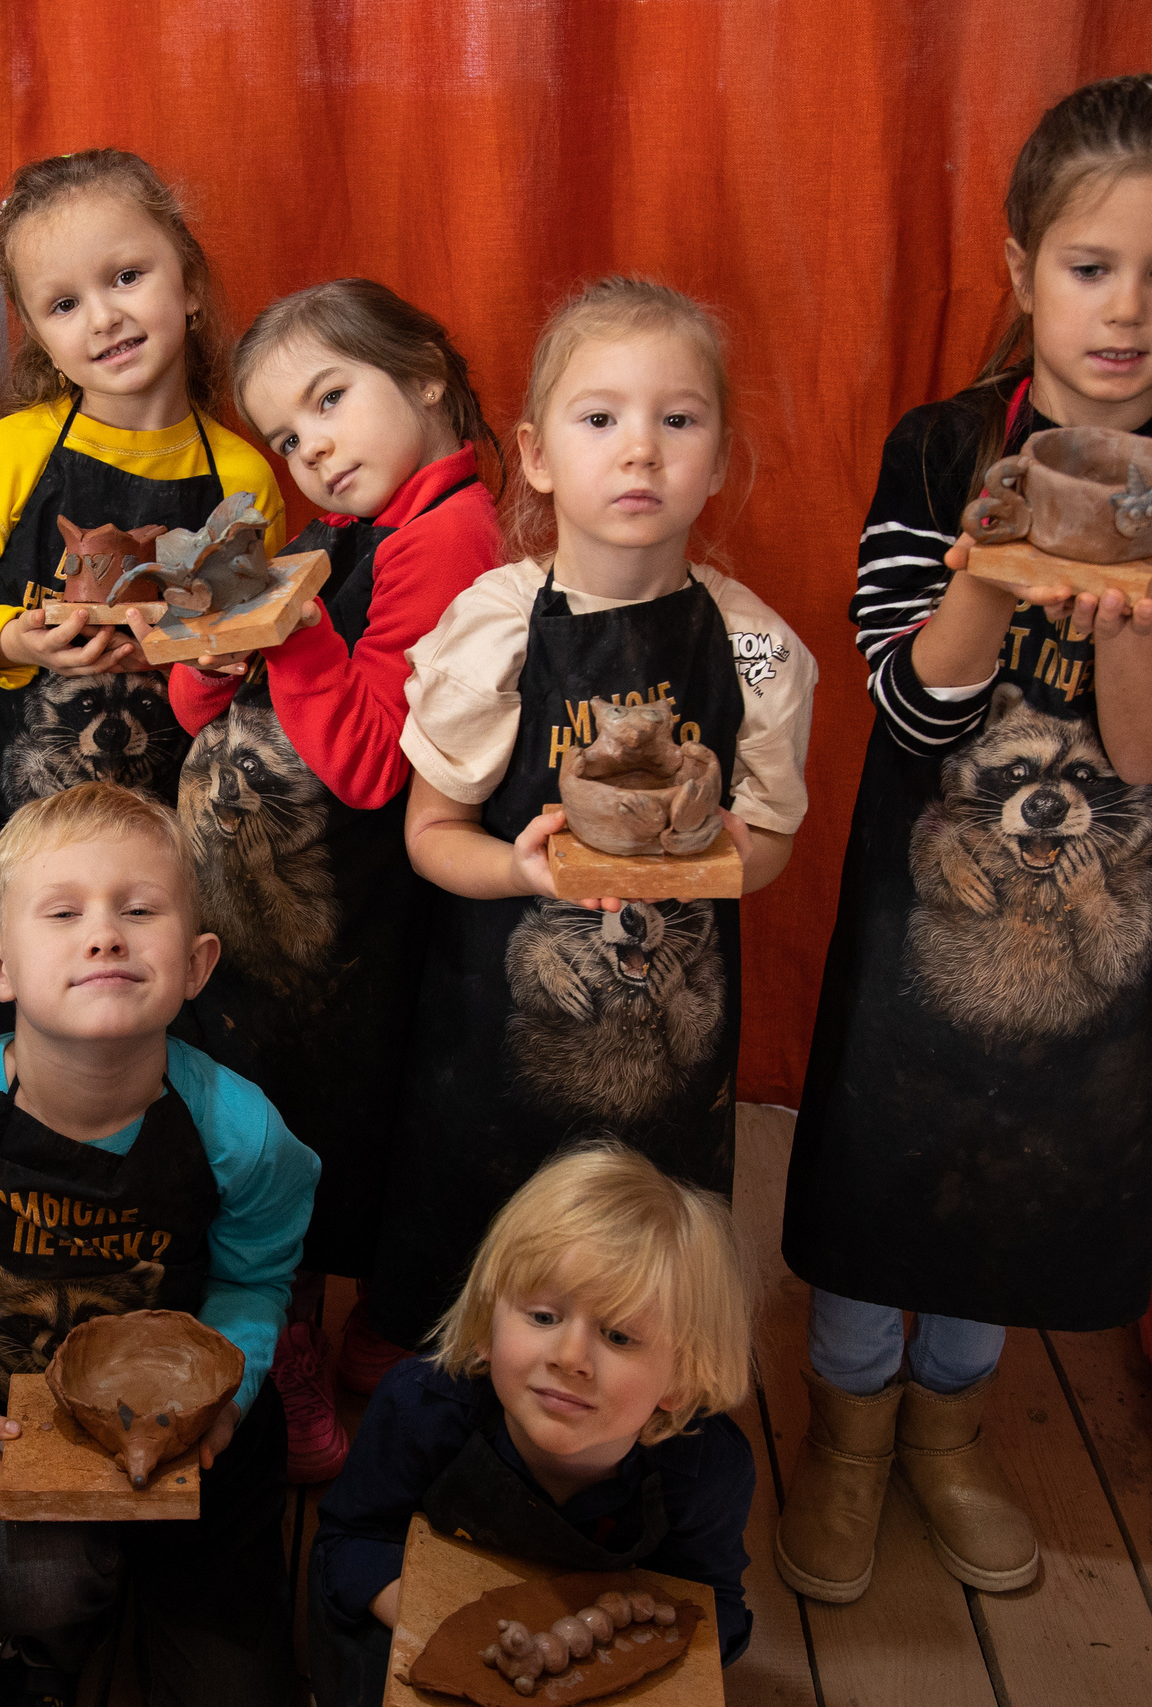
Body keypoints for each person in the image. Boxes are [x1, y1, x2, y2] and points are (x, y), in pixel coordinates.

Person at [779, 46, 1152, 1604]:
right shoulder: (940, 453)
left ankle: (948, 1428)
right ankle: (849, 1428)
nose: (1126, 308)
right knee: (893, 1148)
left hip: (1095, 933)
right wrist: (986, 573)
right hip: (919, 911)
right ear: (1025, 268)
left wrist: (1137, 604)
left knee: (1029, 1160)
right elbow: (919, 710)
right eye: (1089, 266)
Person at [373, 277, 817, 1350]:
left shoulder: (752, 643)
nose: (640, 451)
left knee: (636, 1277)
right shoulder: (493, 626)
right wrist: (527, 875)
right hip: (499, 1033)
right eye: (600, 418)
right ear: (533, 453)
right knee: (480, 1265)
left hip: (668, 1048)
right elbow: (431, 838)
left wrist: (708, 860)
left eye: (677, 420)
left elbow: (773, 841)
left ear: (715, 461)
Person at [0, 782, 319, 1707]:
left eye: (138, 910)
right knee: (40, 1587)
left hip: (194, 1446)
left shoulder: (247, 1135)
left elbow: (257, 1281)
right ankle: (40, 1654)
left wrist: (230, 1396)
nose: (104, 934)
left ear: (196, 962)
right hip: (15, 1429)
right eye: (63, 913)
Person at [171, 279, 507, 1479]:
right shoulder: (355, 535)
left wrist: (287, 629)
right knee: (311, 1120)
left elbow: (369, 761)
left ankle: (310, 1340)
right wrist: (213, 645)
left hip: (351, 918)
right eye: (288, 435)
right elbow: (187, 698)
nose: (310, 449)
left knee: (321, 1130)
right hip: (283, 919)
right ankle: (350, 1329)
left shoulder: (450, 535)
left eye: (329, 400)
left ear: (422, 374)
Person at [0, 149, 284, 1040]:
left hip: (165, 811)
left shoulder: (244, 475)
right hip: (12, 802)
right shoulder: (9, 455)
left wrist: (224, 655)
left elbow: (249, 645)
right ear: (36, 330)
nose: (103, 317)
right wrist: (14, 641)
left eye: (127, 276)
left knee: (161, 1024)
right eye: (65, 304)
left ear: (186, 283)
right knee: (35, 1021)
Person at [308, 1142, 756, 1706]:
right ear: (484, 1327)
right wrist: (453, 1638)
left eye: (618, 1336)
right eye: (543, 1316)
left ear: (680, 1381)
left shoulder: (706, 1470)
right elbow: (349, 1541)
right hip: (425, 1621)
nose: (570, 1357)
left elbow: (715, 1609)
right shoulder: (421, 1408)